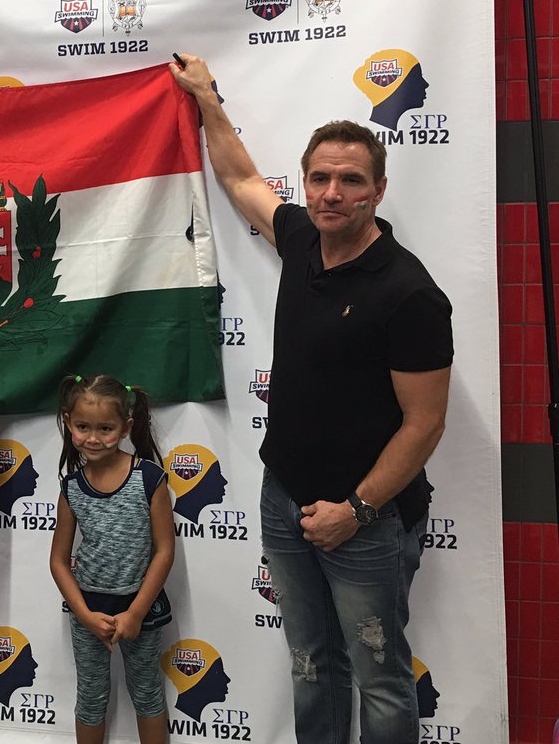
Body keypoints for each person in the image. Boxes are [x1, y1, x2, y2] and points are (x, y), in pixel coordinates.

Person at [171, 54, 453, 744]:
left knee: (380, 678)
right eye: (319, 178)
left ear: (378, 190)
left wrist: (356, 511)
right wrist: (207, 95)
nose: (331, 193)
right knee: (309, 665)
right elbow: (238, 176)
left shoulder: (409, 294)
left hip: (368, 518)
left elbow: (424, 425)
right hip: (286, 498)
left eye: (351, 180)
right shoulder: (300, 240)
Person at [49, 374, 175, 744]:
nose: (93, 437)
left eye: (105, 428)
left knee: (148, 694)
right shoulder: (71, 487)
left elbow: (164, 551)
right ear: (69, 422)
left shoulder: (149, 478)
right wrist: (84, 614)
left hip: (142, 608)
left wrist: (135, 613)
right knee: (90, 698)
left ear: (125, 427)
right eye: (83, 426)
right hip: (88, 609)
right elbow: (58, 561)